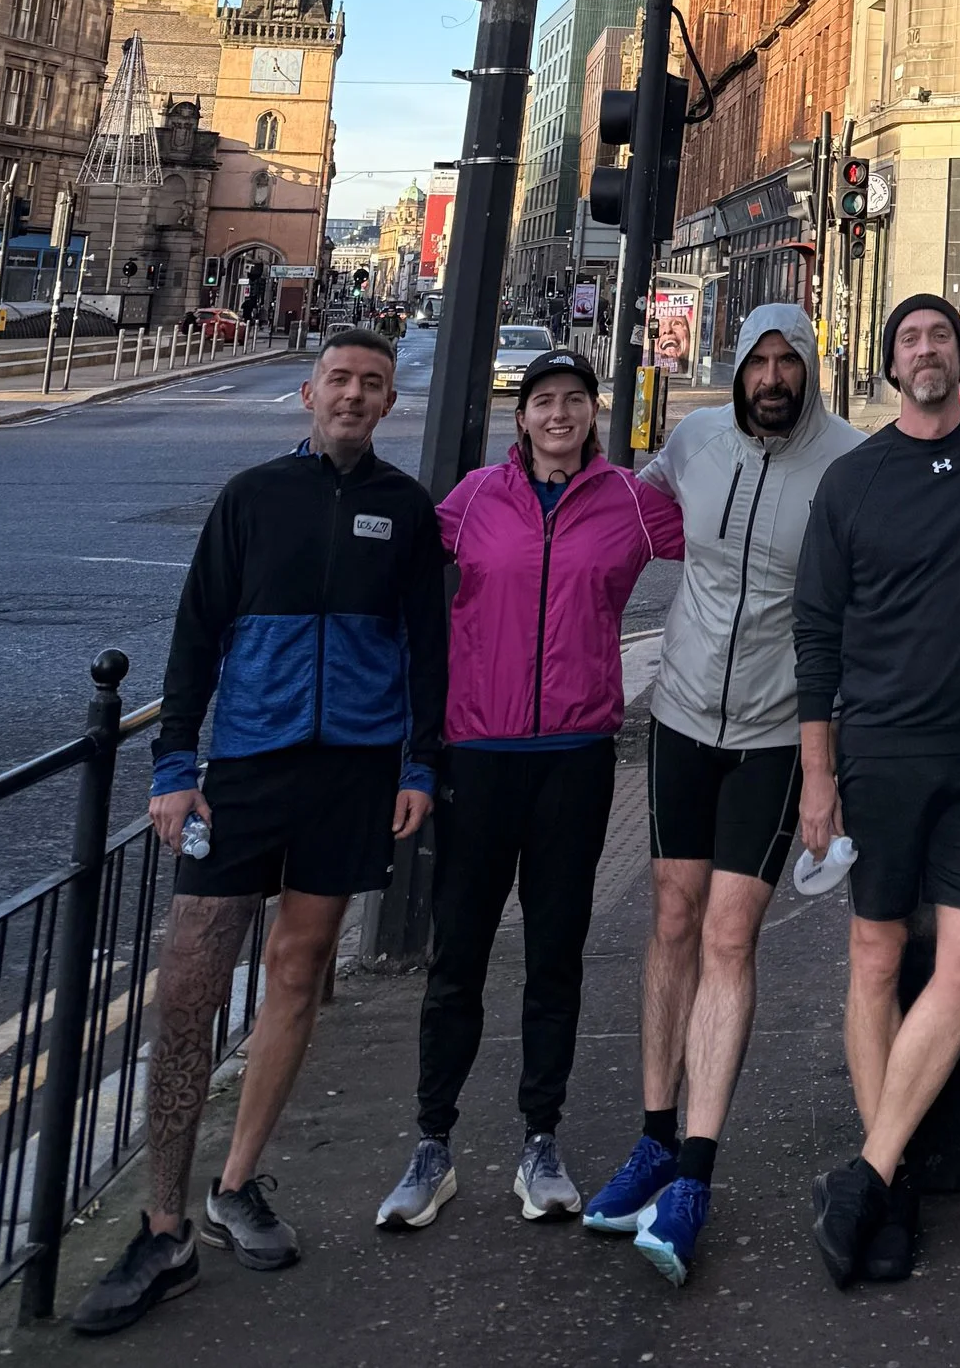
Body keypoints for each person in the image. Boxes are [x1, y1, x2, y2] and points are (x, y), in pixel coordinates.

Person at [71, 329, 446, 1336]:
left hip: (354, 771)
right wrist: (171, 764)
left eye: (373, 384)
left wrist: (418, 765)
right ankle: (161, 1222)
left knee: (299, 964)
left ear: (387, 401)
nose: (356, 396)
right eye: (340, 381)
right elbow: (197, 633)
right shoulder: (250, 499)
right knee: (191, 981)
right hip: (245, 766)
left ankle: (235, 1185)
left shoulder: (404, 510)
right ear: (308, 394)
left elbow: (426, 646)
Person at [582, 302, 863, 1286]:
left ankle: (696, 1168)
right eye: (761, 360)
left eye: (790, 361)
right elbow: (620, 501)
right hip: (684, 715)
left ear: (809, 370)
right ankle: (654, 1135)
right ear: (740, 366)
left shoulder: (846, 460)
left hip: (779, 732)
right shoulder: (694, 438)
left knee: (730, 936)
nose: (774, 377)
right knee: (670, 916)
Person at [375, 348, 682, 1237]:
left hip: (576, 757)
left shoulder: (627, 499)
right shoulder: (473, 500)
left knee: (555, 955)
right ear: (522, 418)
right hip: (480, 752)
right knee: (458, 957)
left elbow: (728, 540)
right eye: (544, 401)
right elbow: (396, 575)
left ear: (594, 411)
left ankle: (539, 1140)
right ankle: (432, 1144)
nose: (559, 415)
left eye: (574, 401)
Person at [794, 293, 960, 1287]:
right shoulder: (852, 482)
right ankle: (891, 1190)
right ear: (893, 364)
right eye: (912, 339)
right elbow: (816, 634)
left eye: (941, 333)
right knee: (875, 954)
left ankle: (865, 1175)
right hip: (882, 750)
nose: (927, 350)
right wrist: (818, 773)